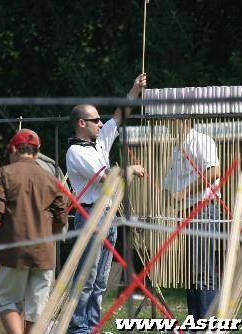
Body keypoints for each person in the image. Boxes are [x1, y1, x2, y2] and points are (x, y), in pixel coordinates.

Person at [66, 73, 147, 334]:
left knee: (100, 279)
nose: (101, 124)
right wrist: (130, 169)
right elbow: (104, 179)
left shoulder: (98, 143)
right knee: (87, 278)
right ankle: (79, 327)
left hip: (108, 215)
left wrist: (134, 88)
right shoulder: (76, 151)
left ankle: (92, 326)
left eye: (100, 120)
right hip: (90, 216)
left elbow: (119, 115)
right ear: (82, 123)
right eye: (95, 120)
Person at [0, 129, 68, 334]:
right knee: (37, 310)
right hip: (44, 253)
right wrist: (49, 237)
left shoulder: (3, 174)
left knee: (7, 302)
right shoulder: (50, 178)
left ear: (13, 149)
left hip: (15, 250)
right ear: (37, 151)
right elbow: (62, 217)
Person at [163, 118, 221, 321]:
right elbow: (171, 183)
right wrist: (168, 195)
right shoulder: (178, 148)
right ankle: (196, 320)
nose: (166, 124)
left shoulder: (202, 141)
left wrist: (184, 193)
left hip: (203, 208)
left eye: (170, 119)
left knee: (202, 266)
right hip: (187, 211)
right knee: (192, 269)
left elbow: (213, 171)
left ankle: (207, 321)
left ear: (184, 120)